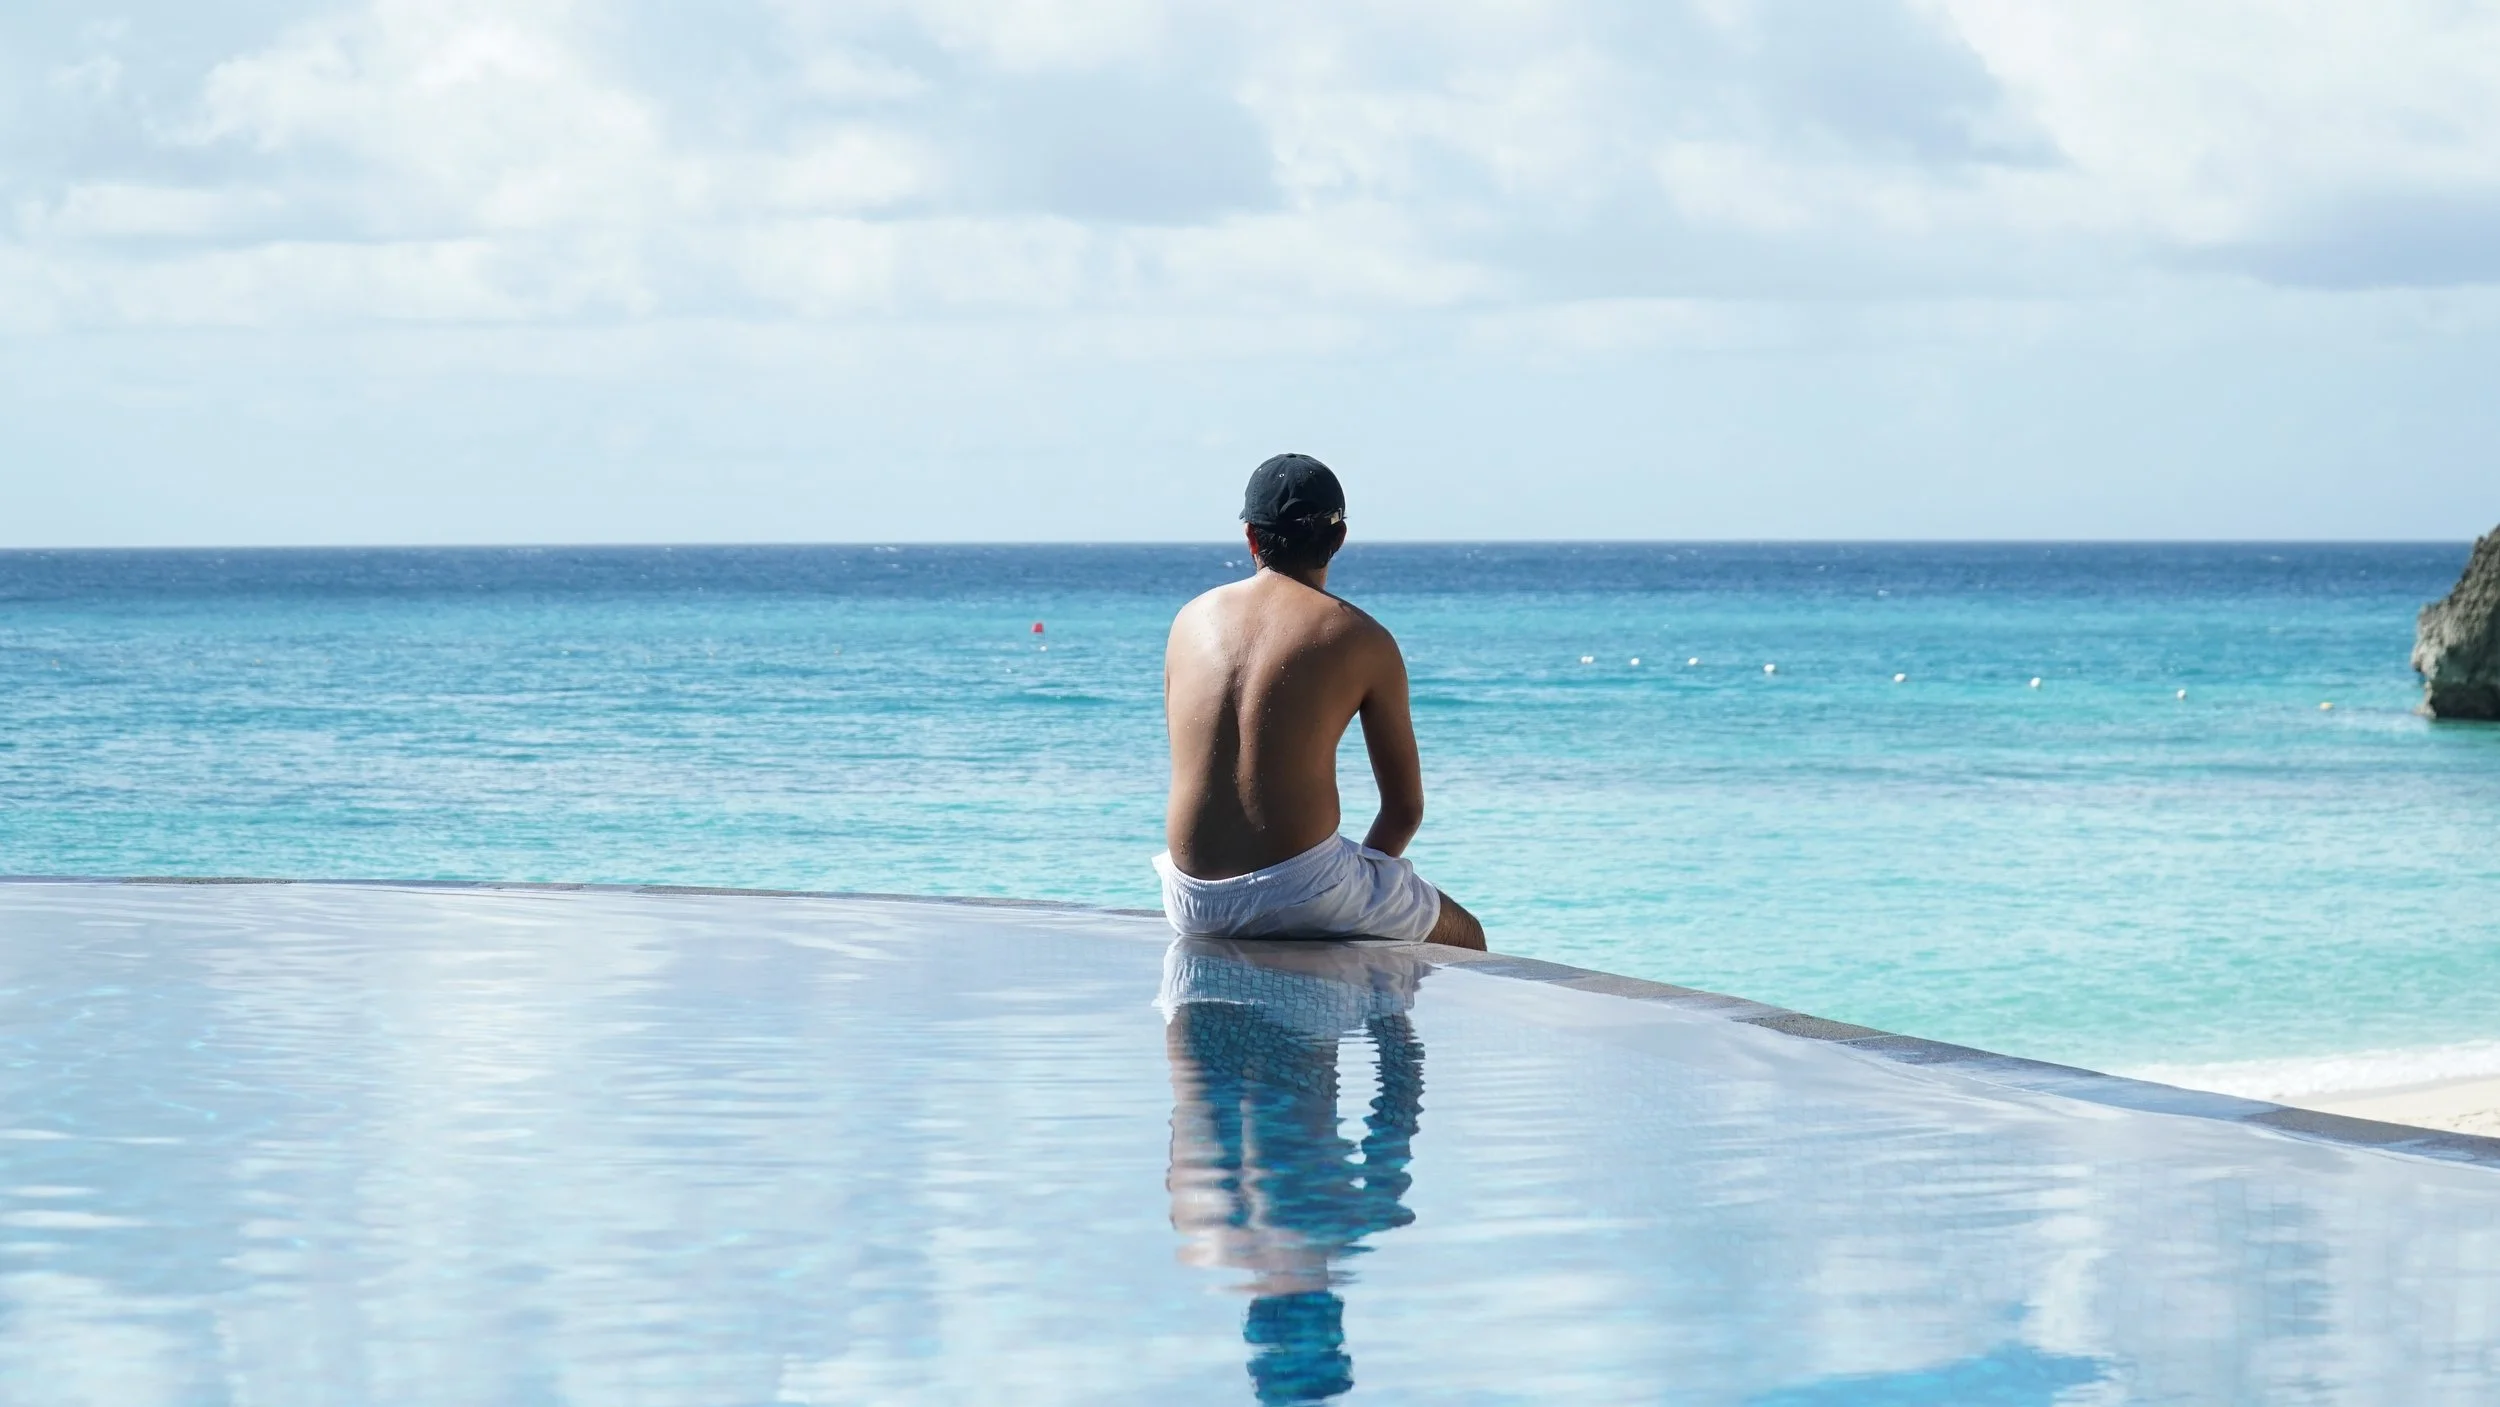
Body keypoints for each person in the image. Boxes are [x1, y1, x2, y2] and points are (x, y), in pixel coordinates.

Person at [1154, 453, 1487, 949]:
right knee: (1466, 935)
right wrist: (1367, 884)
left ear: (1251, 538)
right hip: (1303, 887)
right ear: (1339, 538)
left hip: (1190, 897)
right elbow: (1404, 809)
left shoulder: (1190, 620)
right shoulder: (1360, 636)